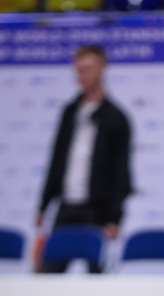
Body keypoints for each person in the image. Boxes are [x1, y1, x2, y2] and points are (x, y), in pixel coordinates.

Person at [35, 45, 132, 273]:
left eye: (88, 69)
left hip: (97, 210)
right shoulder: (69, 112)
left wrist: (114, 217)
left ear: (102, 69)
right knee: (48, 273)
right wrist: (43, 204)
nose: (82, 76)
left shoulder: (116, 118)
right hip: (66, 206)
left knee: (97, 277)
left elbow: (121, 172)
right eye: (79, 70)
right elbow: (57, 160)